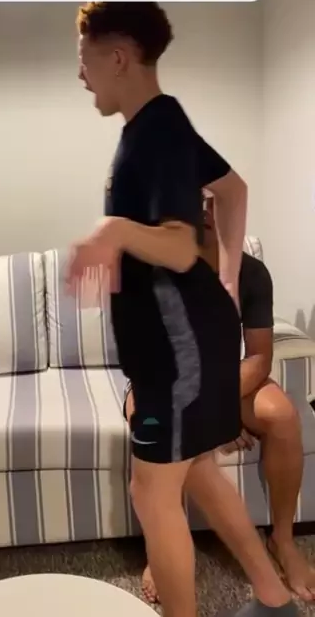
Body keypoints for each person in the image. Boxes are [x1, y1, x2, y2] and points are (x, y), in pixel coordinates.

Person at [66, 2, 298, 617]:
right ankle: (274, 598)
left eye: (84, 59)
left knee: (151, 493)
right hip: (178, 346)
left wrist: (113, 230)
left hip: (177, 354)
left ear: (118, 57)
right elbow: (233, 190)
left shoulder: (156, 134)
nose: (80, 74)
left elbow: (174, 244)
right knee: (194, 471)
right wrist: (226, 276)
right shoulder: (158, 125)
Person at [127, 195, 315, 604]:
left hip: (228, 383)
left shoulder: (251, 273)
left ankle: (283, 540)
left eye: (210, 202)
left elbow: (259, 358)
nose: (203, 212)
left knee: (283, 415)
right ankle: (160, 547)